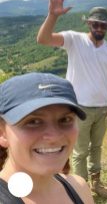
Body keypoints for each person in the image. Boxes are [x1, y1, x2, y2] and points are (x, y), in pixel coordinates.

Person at [37, 0, 107, 198]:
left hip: (102, 108)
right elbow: (43, 39)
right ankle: (81, 192)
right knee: (80, 152)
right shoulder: (74, 39)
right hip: (79, 108)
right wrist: (52, 16)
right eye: (96, 23)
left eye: (103, 24)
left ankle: (96, 184)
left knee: (97, 147)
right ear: (89, 24)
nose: (99, 27)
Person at [0, 72, 94, 204]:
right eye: (33, 122)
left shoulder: (79, 188)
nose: (54, 137)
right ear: (2, 133)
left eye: (65, 119)